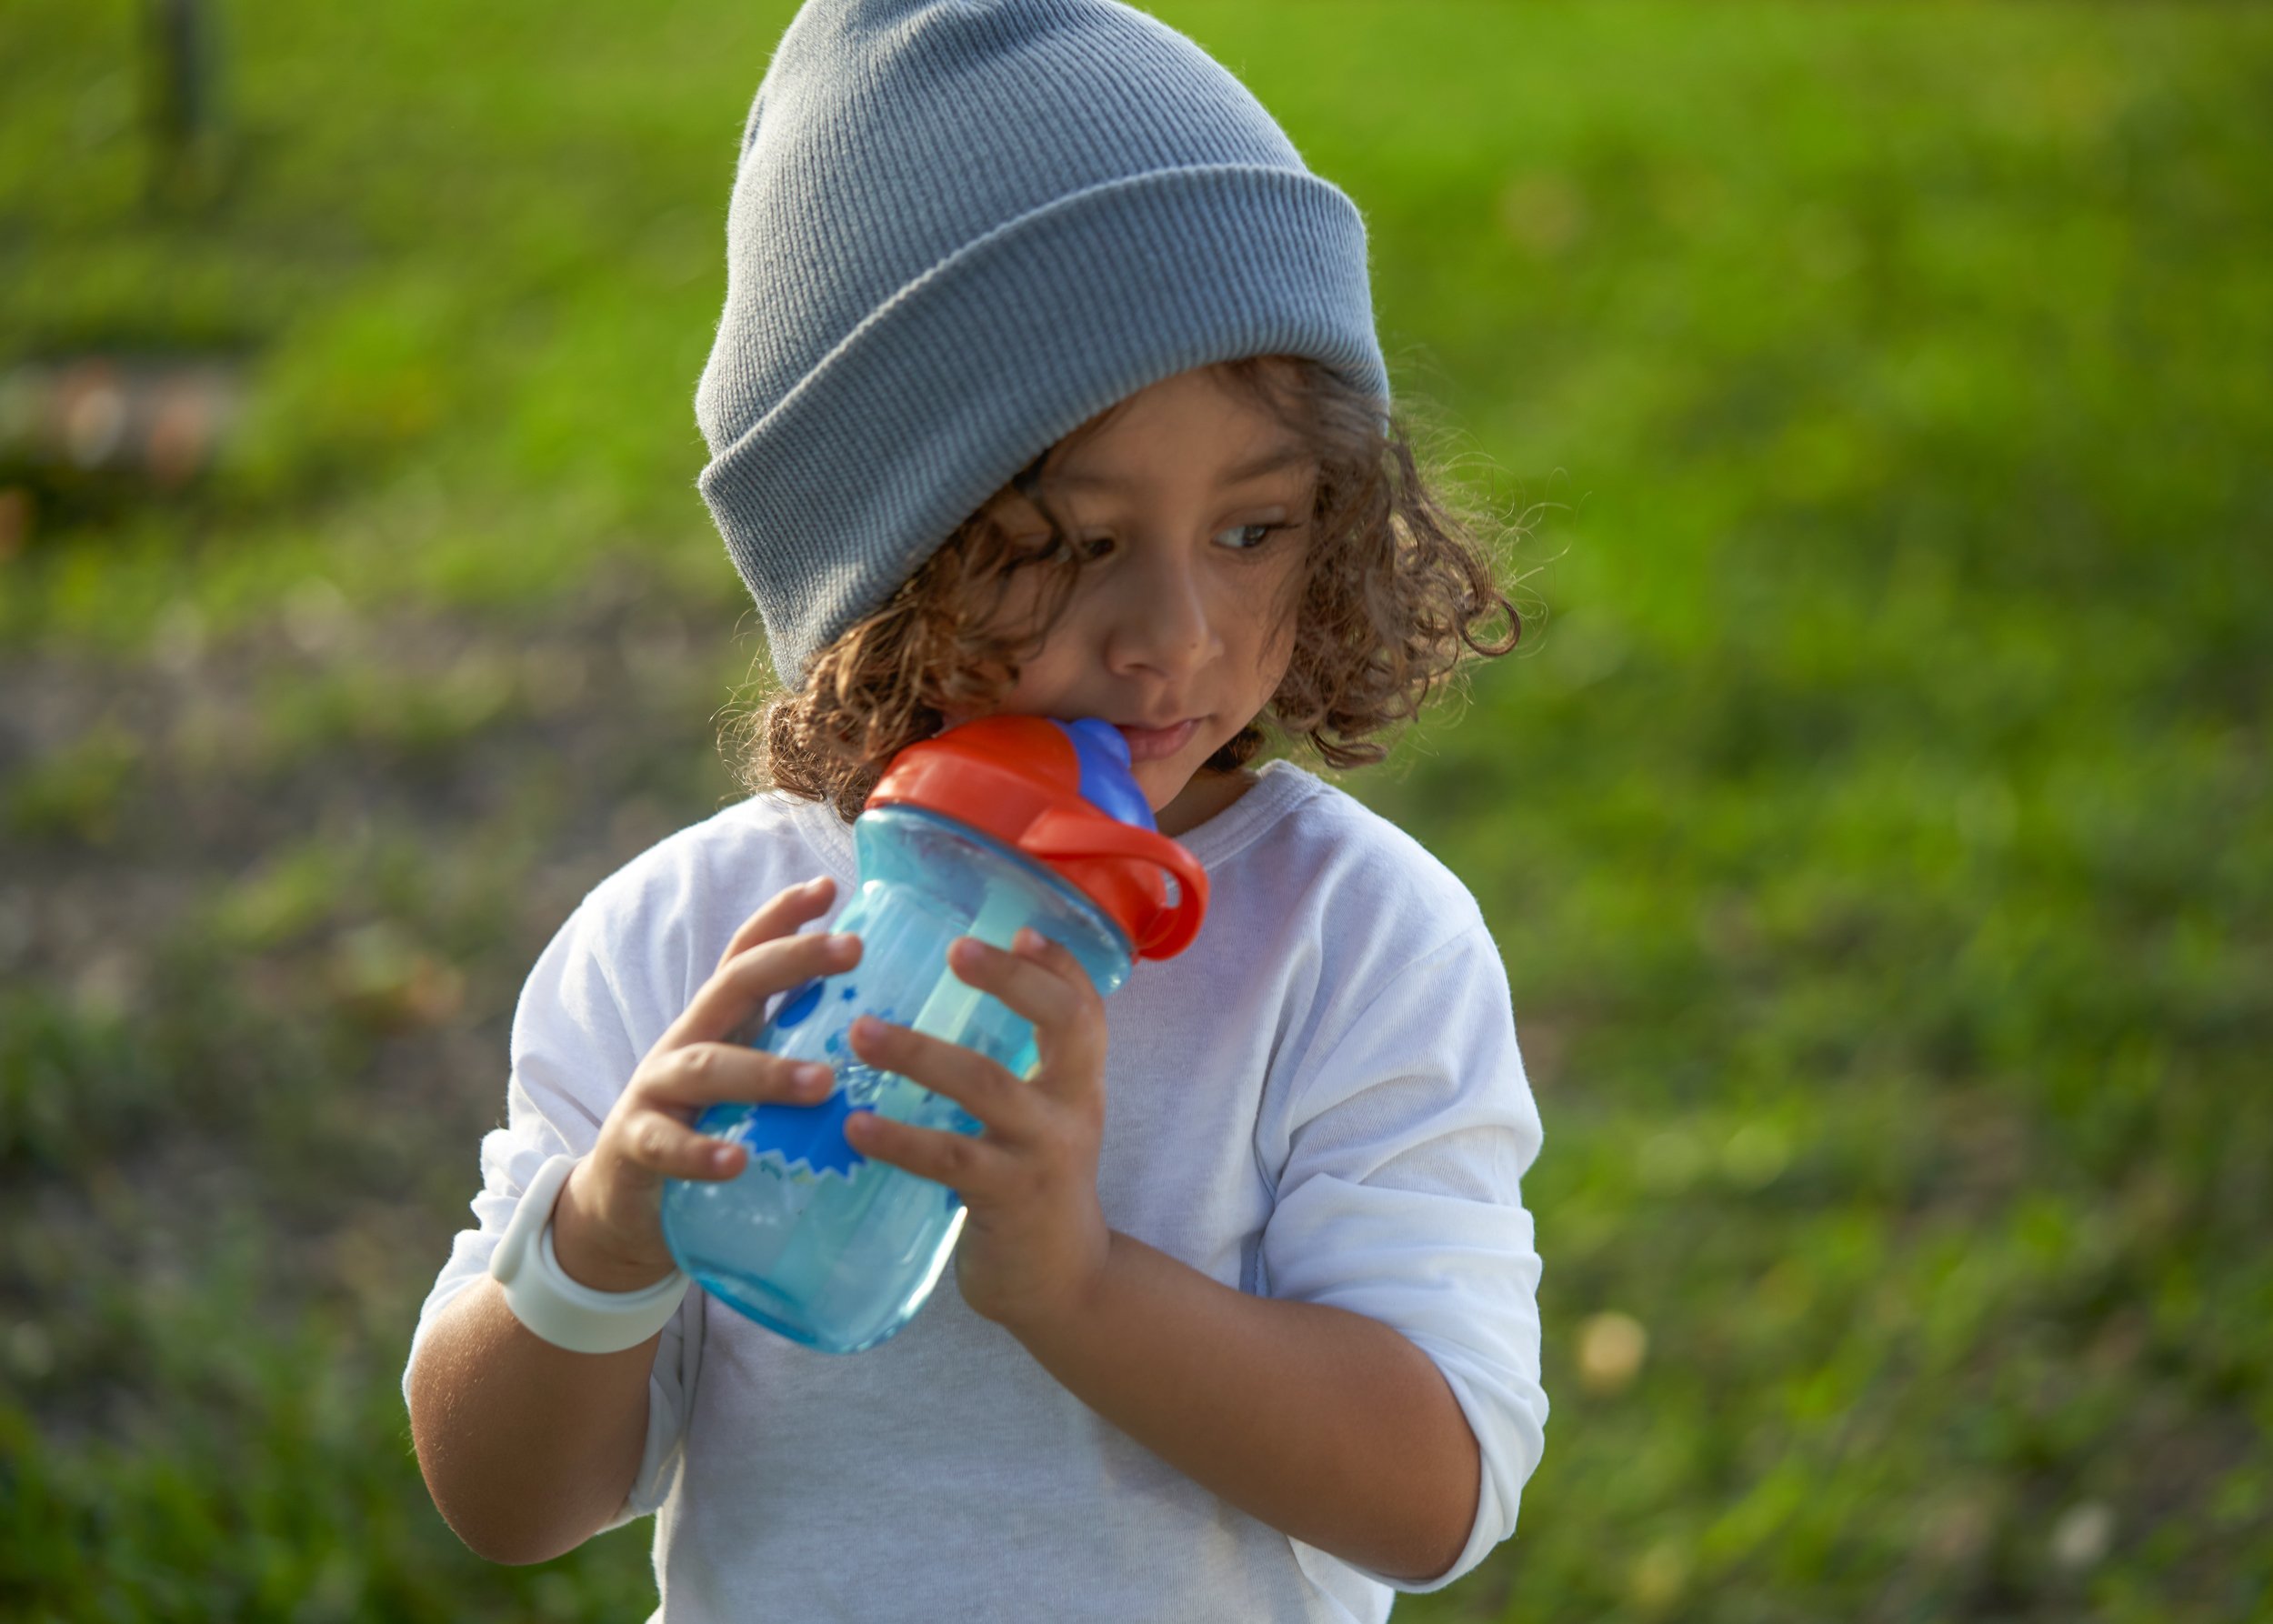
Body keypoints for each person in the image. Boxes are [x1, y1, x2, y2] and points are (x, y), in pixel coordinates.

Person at [404, 3, 1548, 1619]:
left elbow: (1433, 1492)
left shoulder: (1353, 943)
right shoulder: (698, 944)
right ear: (879, 553)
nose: (1176, 636)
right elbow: (505, 1498)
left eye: (1254, 527)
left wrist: (1076, 1283)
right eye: (1069, 539)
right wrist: (600, 1240)